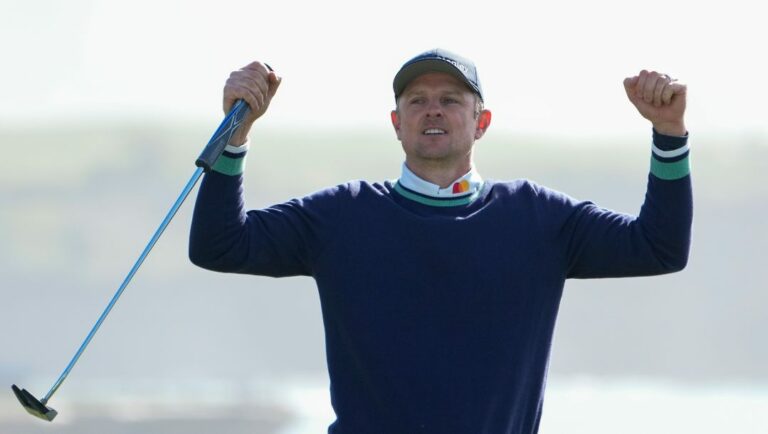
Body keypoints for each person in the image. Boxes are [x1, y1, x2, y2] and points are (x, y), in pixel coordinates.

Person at [189, 49, 692, 434]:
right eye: (418, 101)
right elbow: (220, 245)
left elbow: (658, 248)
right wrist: (236, 134)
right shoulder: (342, 214)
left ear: (481, 123)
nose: (433, 111)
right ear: (397, 124)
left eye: (451, 100)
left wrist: (668, 132)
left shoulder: (539, 217)